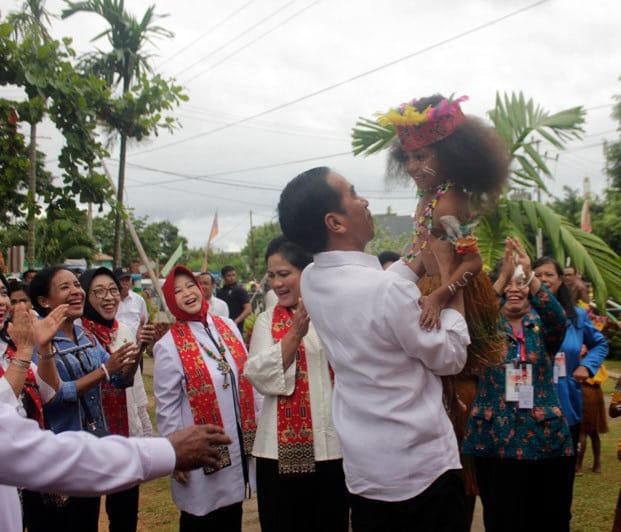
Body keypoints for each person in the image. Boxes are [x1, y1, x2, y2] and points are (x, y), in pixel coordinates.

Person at [278, 167, 470, 532]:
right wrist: (452, 282)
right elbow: (451, 357)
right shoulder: (384, 293)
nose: (364, 201)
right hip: (422, 469)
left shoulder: (314, 280)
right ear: (334, 222)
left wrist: (419, 248)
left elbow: (377, 288)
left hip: (366, 472)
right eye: (353, 194)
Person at [461, 237, 574, 532]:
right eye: (508, 284)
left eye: (520, 284)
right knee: (502, 518)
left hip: (544, 437)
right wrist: (502, 278)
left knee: (549, 517)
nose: (514, 289)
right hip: (495, 439)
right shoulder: (486, 328)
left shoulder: (544, 326)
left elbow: (558, 317)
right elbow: (473, 316)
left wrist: (530, 275)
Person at [245, 235, 349, 532]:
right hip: (278, 456)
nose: (277, 283)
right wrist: (295, 332)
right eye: (272, 276)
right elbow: (259, 375)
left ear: (309, 271)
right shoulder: (267, 321)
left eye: (285, 274)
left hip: (334, 449)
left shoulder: (335, 315)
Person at [28, 265, 141, 532]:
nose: (76, 291)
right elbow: (54, 396)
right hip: (59, 456)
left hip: (89, 452)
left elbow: (120, 380)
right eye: (65, 287)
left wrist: (136, 352)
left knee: (87, 520)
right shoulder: (38, 344)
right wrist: (105, 369)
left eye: (77, 284)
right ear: (44, 301)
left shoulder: (85, 336)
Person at [154, 265, 261, 531]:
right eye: (177, 291)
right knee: (202, 516)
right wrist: (174, 453)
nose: (187, 293)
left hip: (236, 437)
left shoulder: (226, 326)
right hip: (198, 448)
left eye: (190, 286)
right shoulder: (168, 345)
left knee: (232, 511)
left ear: (201, 288)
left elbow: (247, 375)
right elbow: (166, 408)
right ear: (170, 300)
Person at [79, 267, 155, 532]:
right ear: (85, 296)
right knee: (85, 514)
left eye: (112, 290)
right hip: (88, 438)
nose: (108, 297)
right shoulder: (77, 333)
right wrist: (107, 368)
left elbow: (126, 382)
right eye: (98, 291)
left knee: (124, 515)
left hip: (122, 432)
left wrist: (140, 348)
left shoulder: (123, 329)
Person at [533, 256, 607, 480]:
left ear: (559, 280)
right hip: (529, 403)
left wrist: (587, 366)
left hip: (566, 402)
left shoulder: (576, 316)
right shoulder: (523, 313)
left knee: (561, 475)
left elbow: (600, 343)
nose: (543, 279)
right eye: (537, 275)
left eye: (549, 274)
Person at [115, 267, 149, 340]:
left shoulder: (139, 300)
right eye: (121, 280)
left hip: (134, 344)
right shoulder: (111, 300)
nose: (124, 283)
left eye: (127, 280)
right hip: (114, 345)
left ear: (131, 281)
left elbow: (144, 322)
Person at [217, 265, 252, 335]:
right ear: (223, 277)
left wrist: (236, 321)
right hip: (222, 327)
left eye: (233, 275)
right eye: (229, 275)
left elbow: (248, 309)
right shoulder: (220, 292)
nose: (232, 278)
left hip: (236, 328)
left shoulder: (240, 290)